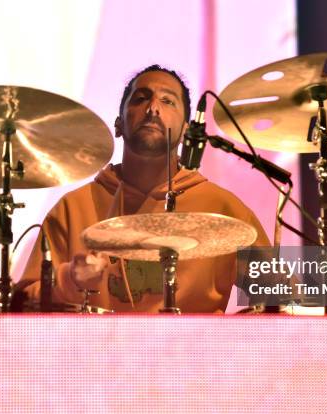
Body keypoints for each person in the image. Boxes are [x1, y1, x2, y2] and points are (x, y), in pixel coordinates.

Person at [15, 65, 270, 313]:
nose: (152, 108)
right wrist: (69, 280)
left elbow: (281, 298)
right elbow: (21, 305)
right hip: (99, 354)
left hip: (195, 354)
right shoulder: (72, 208)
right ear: (118, 124)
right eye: (140, 98)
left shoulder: (224, 209)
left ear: (184, 131)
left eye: (168, 101)